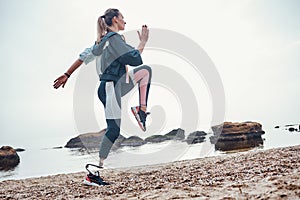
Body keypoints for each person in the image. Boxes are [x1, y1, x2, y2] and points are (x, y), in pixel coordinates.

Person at [53, 8, 152, 180]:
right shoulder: (113, 39)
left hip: (118, 84)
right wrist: (143, 41)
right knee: (113, 130)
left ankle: (140, 110)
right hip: (110, 86)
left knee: (145, 72)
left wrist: (67, 74)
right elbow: (134, 57)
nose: (125, 22)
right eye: (123, 18)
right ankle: (94, 172)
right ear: (115, 19)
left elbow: (83, 57)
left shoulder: (102, 41)